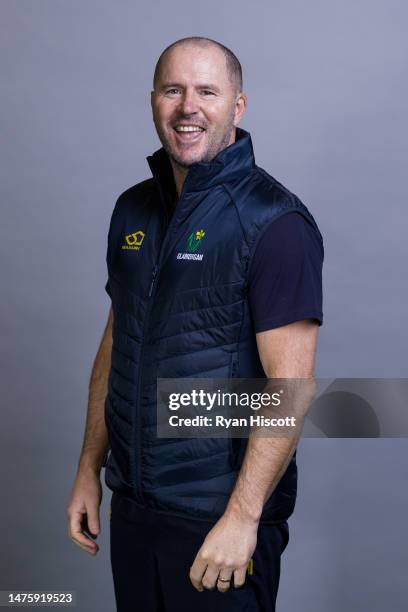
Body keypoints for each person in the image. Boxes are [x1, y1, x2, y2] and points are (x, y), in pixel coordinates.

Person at [67, 36, 324, 611]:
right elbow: (118, 340)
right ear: (153, 100)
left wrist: (242, 518)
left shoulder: (274, 222)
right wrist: (89, 467)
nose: (188, 107)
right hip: (134, 508)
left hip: (218, 524)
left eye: (207, 91)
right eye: (173, 90)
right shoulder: (132, 210)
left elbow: (289, 389)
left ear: (238, 105)